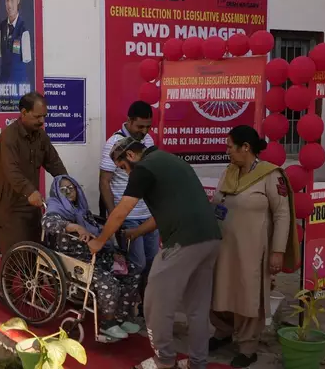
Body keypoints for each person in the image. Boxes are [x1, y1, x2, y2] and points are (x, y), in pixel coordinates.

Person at [87, 137, 222, 369]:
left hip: (183, 242)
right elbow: (167, 210)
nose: (125, 174)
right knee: (197, 308)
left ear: (130, 156)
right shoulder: (171, 161)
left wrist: (99, 241)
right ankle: (197, 363)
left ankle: (164, 360)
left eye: (122, 168)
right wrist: (137, 232)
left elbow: (120, 212)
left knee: (154, 303)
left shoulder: (144, 169)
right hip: (210, 239)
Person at [209, 126, 300, 368]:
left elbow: (282, 214)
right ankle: (223, 332)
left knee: (248, 297)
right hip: (224, 247)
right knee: (220, 290)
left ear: (245, 148)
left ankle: (248, 347)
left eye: (230, 146)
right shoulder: (229, 172)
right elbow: (218, 204)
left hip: (253, 251)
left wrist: (278, 251)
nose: (227, 150)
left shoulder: (271, 175)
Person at [0, 92, 67, 289]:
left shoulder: (41, 136)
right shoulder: (8, 137)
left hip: (32, 202)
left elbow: (53, 161)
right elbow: (11, 171)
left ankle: (29, 284)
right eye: (38, 117)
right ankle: (3, 286)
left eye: (44, 116)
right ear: (23, 113)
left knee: (33, 246)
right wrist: (29, 191)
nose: (42, 121)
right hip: (11, 203)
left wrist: (65, 181)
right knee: (14, 247)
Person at [43, 175, 140, 339]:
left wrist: (111, 248)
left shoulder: (81, 209)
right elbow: (47, 223)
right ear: (56, 193)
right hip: (74, 259)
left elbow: (95, 228)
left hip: (96, 253)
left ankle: (121, 317)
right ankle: (107, 324)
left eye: (71, 188)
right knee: (109, 282)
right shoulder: (56, 209)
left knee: (132, 271)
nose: (68, 192)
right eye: (63, 189)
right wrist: (74, 227)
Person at [99, 101, 158, 306]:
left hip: (149, 215)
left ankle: (144, 305)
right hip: (128, 217)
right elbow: (104, 182)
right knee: (136, 264)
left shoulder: (148, 140)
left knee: (152, 262)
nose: (144, 131)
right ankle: (126, 307)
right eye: (139, 126)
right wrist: (115, 216)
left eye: (148, 126)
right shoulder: (114, 143)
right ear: (129, 121)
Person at [0, 0, 32, 84]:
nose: (9, 5)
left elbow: (26, 59)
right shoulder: (1, 27)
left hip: (18, 87)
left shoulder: (24, 29)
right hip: (3, 87)